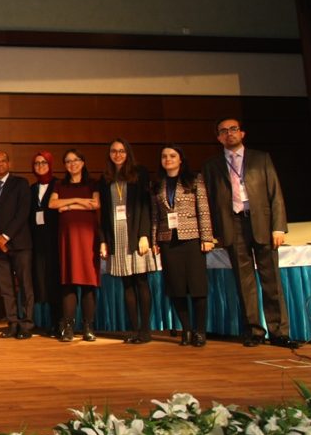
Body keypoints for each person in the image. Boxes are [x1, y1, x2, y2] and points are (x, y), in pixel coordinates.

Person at [203, 118, 299, 349]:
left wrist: (278, 227)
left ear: (242, 133)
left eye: (233, 129)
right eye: (224, 131)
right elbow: (209, 202)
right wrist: (213, 232)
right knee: (244, 283)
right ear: (218, 138)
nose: (229, 133)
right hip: (233, 225)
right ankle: (254, 331)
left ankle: (279, 332)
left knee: (271, 281)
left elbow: (275, 193)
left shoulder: (261, 158)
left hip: (262, 224)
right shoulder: (211, 165)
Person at [152, 144, 215, 347]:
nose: (168, 159)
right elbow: (155, 216)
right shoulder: (157, 184)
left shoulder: (194, 180)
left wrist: (207, 238)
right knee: (176, 287)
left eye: (172, 155)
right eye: (164, 156)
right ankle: (186, 329)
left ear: (181, 159)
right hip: (168, 240)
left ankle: (200, 331)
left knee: (197, 287)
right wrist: (154, 240)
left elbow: (203, 210)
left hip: (192, 239)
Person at [99, 139, 157, 344]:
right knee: (127, 284)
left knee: (141, 281)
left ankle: (145, 330)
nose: (118, 154)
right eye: (114, 151)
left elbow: (146, 206)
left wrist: (144, 235)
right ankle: (134, 330)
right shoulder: (105, 178)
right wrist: (104, 240)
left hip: (136, 234)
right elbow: (103, 214)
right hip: (117, 235)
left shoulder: (139, 173)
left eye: (122, 151)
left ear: (128, 153)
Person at [49, 149, 101, 342]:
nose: (72, 164)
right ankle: (68, 327)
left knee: (88, 283)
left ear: (83, 162)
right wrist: (79, 201)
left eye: (76, 160)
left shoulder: (92, 183)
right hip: (68, 238)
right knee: (68, 282)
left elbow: (95, 204)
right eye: (68, 161)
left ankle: (88, 327)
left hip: (88, 237)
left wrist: (67, 206)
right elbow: (52, 204)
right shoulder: (59, 184)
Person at [0, 150, 34, 339]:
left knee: (25, 285)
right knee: (6, 288)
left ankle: (26, 324)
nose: (0, 164)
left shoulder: (20, 183)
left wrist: (6, 236)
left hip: (19, 243)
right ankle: (12, 323)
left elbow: (23, 212)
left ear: (9, 164)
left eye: (3, 161)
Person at [29, 151, 61, 337]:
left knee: (55, 282)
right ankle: (49, 323)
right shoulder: (32, 188)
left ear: (50, 165)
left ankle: (60, 322)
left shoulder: (58, 185)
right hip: (38, 242)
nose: (40, 166)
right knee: (42, 282)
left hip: (55, 240)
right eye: (37, 163)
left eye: (43, 163)